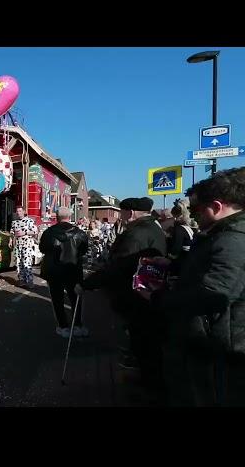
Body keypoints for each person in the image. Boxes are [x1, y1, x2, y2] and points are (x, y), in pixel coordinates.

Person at [145, 168, 245, 406]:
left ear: (217, 207)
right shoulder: (220, 234)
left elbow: (216, 292)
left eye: (197, 209)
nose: (193, 215)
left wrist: (158, 299)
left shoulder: (233, 239)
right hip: (213, 338)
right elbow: (207, 267)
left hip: (222, 345)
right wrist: (173, 265)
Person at [78, 196, 167, 398]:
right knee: (147, 345)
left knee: (143, 344)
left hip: (137, 295)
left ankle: (149, 388)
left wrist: (88, 283)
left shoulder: (137, 234)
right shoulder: (154, 228)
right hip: (148, 292)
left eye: (122, 212)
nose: (121, 216)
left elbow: (119, 267)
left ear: (131, 212)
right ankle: (147, 379)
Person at [39, 206, 89, 338]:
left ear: (56, 216)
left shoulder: (48, 232)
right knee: (76, 297)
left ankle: (63, 327)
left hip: (54, 270)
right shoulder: (80, 232)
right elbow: (84, 250)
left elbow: (42, 248)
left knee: (57, 299)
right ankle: (77, 325)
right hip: (73, 269)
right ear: (70, 216)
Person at [9, 205, 38, 288]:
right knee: (18, 263)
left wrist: (25, 233)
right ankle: (21, 280)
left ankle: (29, 281)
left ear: (24, 212)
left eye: (20, 211)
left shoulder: (29, 221)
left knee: (27, 263)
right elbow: (12, 233)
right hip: (18, 245)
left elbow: (35, 232)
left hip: (27, 245)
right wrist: (10, 241)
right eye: (17, 211)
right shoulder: (14, 222)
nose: (18, 213)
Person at [167, 198, 195, 276]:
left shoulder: (179, 229)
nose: (174, 218)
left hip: (181, 263)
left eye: (175, 215)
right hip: (188, 261)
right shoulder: (188, 227)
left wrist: (168, 258)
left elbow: (176, 249)